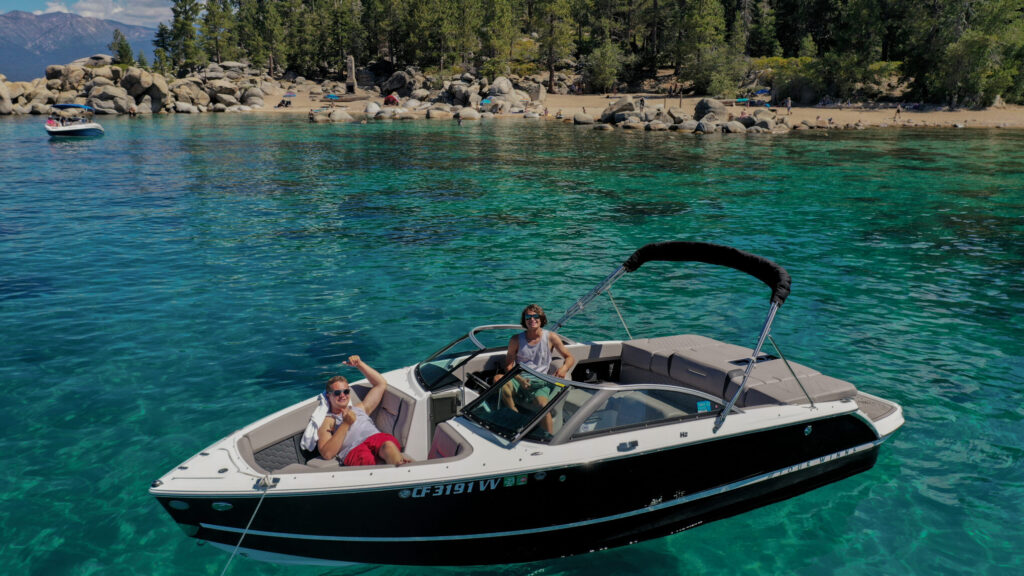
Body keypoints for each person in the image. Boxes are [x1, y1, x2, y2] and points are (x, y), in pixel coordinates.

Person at [315, 355, 412, 467]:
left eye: (346, 391)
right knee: (373, 463)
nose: (342, 395)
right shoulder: (328, 421)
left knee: (388, 446)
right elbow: (327, 453)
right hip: (354, 449)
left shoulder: (360, 408)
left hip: (375, 438)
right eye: (337, 393)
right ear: (328, 396)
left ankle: (402, 469)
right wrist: (345, 424)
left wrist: (359, 364)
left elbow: (380, 384)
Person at [496, 304, 576, 433]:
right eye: (528, 316)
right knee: (497, 379)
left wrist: (564, 368)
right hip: (519, 378)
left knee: (543, 407)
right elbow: (508, 365)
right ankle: (515, 416)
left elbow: (569, 357)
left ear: (541, 319)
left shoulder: (551, 337)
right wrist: (520, 380)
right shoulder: (516, 339)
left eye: (535, 316)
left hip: (541, 381)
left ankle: (549, 438)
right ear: (524, 320)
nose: (532, 319)